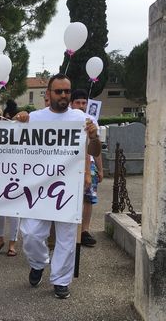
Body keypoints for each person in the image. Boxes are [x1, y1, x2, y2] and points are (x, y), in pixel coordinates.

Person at [18, 74, 101, 299]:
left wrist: (93, 137)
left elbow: (94, 151)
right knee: (31, 233)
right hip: (38, 187)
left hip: (69, 187)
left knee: (66, 237)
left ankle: (61, 280)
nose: (64, 95)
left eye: (67, 91)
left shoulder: (83, 119)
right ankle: (37, 263)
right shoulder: (34, 118)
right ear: (48, 94)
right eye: (59, 91)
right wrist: (20, 120)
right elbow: (14, 143)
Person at [70, 89, 104, 247]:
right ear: (71, 104)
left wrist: (100, 169)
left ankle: (84, 231)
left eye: (84, 103)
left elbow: (95, 147)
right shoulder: (67, 119)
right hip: (70, 164)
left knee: (88, 198)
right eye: (78, 102)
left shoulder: (91, 121)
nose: (81, 105)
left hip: (89, 163)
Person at [0, 107, 20, 257]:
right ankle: (0, 239)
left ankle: (12, 243)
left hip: (17, 177)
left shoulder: (19, 133)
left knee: (15, 212)